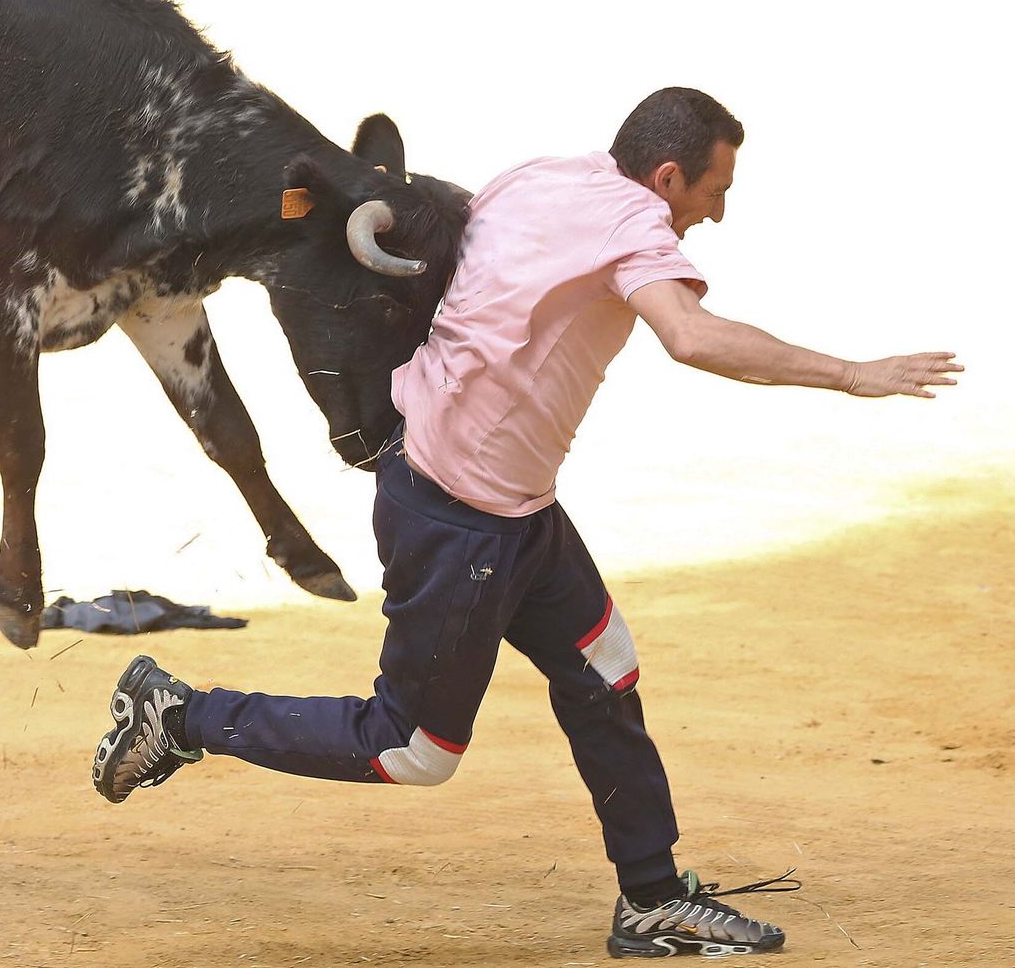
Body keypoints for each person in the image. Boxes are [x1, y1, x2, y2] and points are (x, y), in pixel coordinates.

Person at [89, 87, 961, 958]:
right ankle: (179, 714)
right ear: (666, 177)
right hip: (456, 515)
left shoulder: (541, 178)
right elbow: (690, 338)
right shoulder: (635, 228)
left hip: (514, 504)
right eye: (713, 191)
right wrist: (851, 375)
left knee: (604, 667)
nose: (717, 213)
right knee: (411, 749)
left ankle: (653, 900)